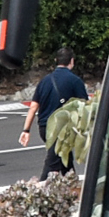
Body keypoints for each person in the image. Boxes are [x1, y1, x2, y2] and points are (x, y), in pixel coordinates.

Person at [19, 47, 88, 176]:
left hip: (44, 128)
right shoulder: (75, 81)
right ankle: (40, 190)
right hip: (62, 130)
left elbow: (33, 107)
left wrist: (26, 130)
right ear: (72, 61)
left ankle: (71, 185)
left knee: (65, 161)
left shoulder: (44, 81)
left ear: (56, 60)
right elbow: (83, 106)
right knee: (51, 165)